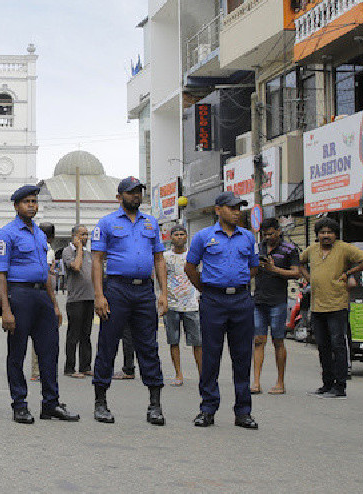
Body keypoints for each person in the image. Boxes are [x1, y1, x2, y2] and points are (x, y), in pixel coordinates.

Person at [0, 186, 80, 424]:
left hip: (42, 296)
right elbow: (0, 275)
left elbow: (46, 274)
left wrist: (54, 304)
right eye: (26, 202)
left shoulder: (40, 235)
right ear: (16, 206)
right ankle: (19, 404)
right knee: (17, 353)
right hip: (19, 296)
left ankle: (50, 404)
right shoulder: (5, 234)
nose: (31, 205)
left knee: (49, 352)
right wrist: (6, 310)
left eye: (34, 201)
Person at [89, 177, 168, 426]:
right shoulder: (107, 223)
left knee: (149, 347)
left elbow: (159, 260)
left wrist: (163, 293)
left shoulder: (151, 223)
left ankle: (155, 405)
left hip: (144, 292)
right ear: (119, 196)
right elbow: (97, 260)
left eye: (139, 192)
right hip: (117, 290)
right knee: (108, 345)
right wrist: (99, 295)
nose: (136, 196)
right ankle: (100, 403)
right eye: (131, 192)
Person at [184, 191, 260, 430]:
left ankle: (243, 412)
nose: (237, 212)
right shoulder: (204, 236)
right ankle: (207, 409)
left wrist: (236, 284)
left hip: (240, 301)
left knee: (242, 356)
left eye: (239, 208)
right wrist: (207, 290)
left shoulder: (248, 237)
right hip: (213, 301)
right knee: (211, 356)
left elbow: (253, 268)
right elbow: (190, 267)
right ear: (218, 210)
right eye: (232, 208)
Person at [298, 218, 363, 399]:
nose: (326, 236)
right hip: (317, 306)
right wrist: (309, 278)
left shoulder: (344, 248)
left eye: (329, 232)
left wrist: (349, 273)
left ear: (335, 234)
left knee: (338, 345)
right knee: (323, 347)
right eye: (322, 232)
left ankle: (340, 386)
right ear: (317, 235)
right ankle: (326, 384)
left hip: (337, 305)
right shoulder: (312, 250)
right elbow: (299, 263)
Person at [252, 218, 298, 396]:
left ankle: (280, 382)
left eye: (272, 233)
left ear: (279, 231)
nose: (269, 237)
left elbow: (296, 272)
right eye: (266, 234)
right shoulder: (257, 247)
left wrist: (275, 270)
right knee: (258, 341)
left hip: (278, 302)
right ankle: (256, 382)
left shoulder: (289, 249)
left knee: (278, 341)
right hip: (259, 301)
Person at [163, 225, 201, 387]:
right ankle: (178, 373)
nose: (179, 237)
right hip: (171, 303)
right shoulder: (165, 257)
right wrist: (163, 297)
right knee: (174, 340)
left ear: (186, 237)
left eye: (182, 234)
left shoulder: (193, 255)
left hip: (192, 303)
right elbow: (160, 277)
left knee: (198, 342)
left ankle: (202, 374)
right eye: (176, 234)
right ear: (171, 237)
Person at [62, 225, 95, 379]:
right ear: (74, 236)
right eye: (82, 235)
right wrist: (79, 248)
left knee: (86, 335)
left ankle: (85, 366)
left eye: (87, 235)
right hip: (76, 300)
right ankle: (70, 367)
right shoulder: (68, 252)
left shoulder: (89, 254)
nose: (85, 237)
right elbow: (76, 266)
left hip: (89, 298)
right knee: (73, 335)